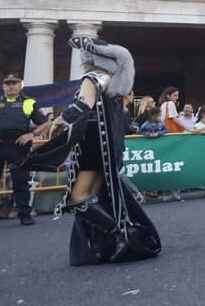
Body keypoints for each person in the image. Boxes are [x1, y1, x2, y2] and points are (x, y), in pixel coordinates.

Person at [21, 37, 160, 266]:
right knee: (92, 194)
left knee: (78, 197)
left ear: (90, 59)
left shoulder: (93, 77)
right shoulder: (115, 82)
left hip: (92, 141)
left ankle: (120, 234)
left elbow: (82, 105)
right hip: (106, 144)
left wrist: (59, 121)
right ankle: (107, 242)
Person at [0, 75, 51, 229]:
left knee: (21, 183)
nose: (11, 87)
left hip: (19, 146)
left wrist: (31, 135)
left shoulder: (28, 102)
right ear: (3, 87)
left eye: (14, 84)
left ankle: (25, 215)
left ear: (20, 86)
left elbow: (46, 123)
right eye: (7, 84)